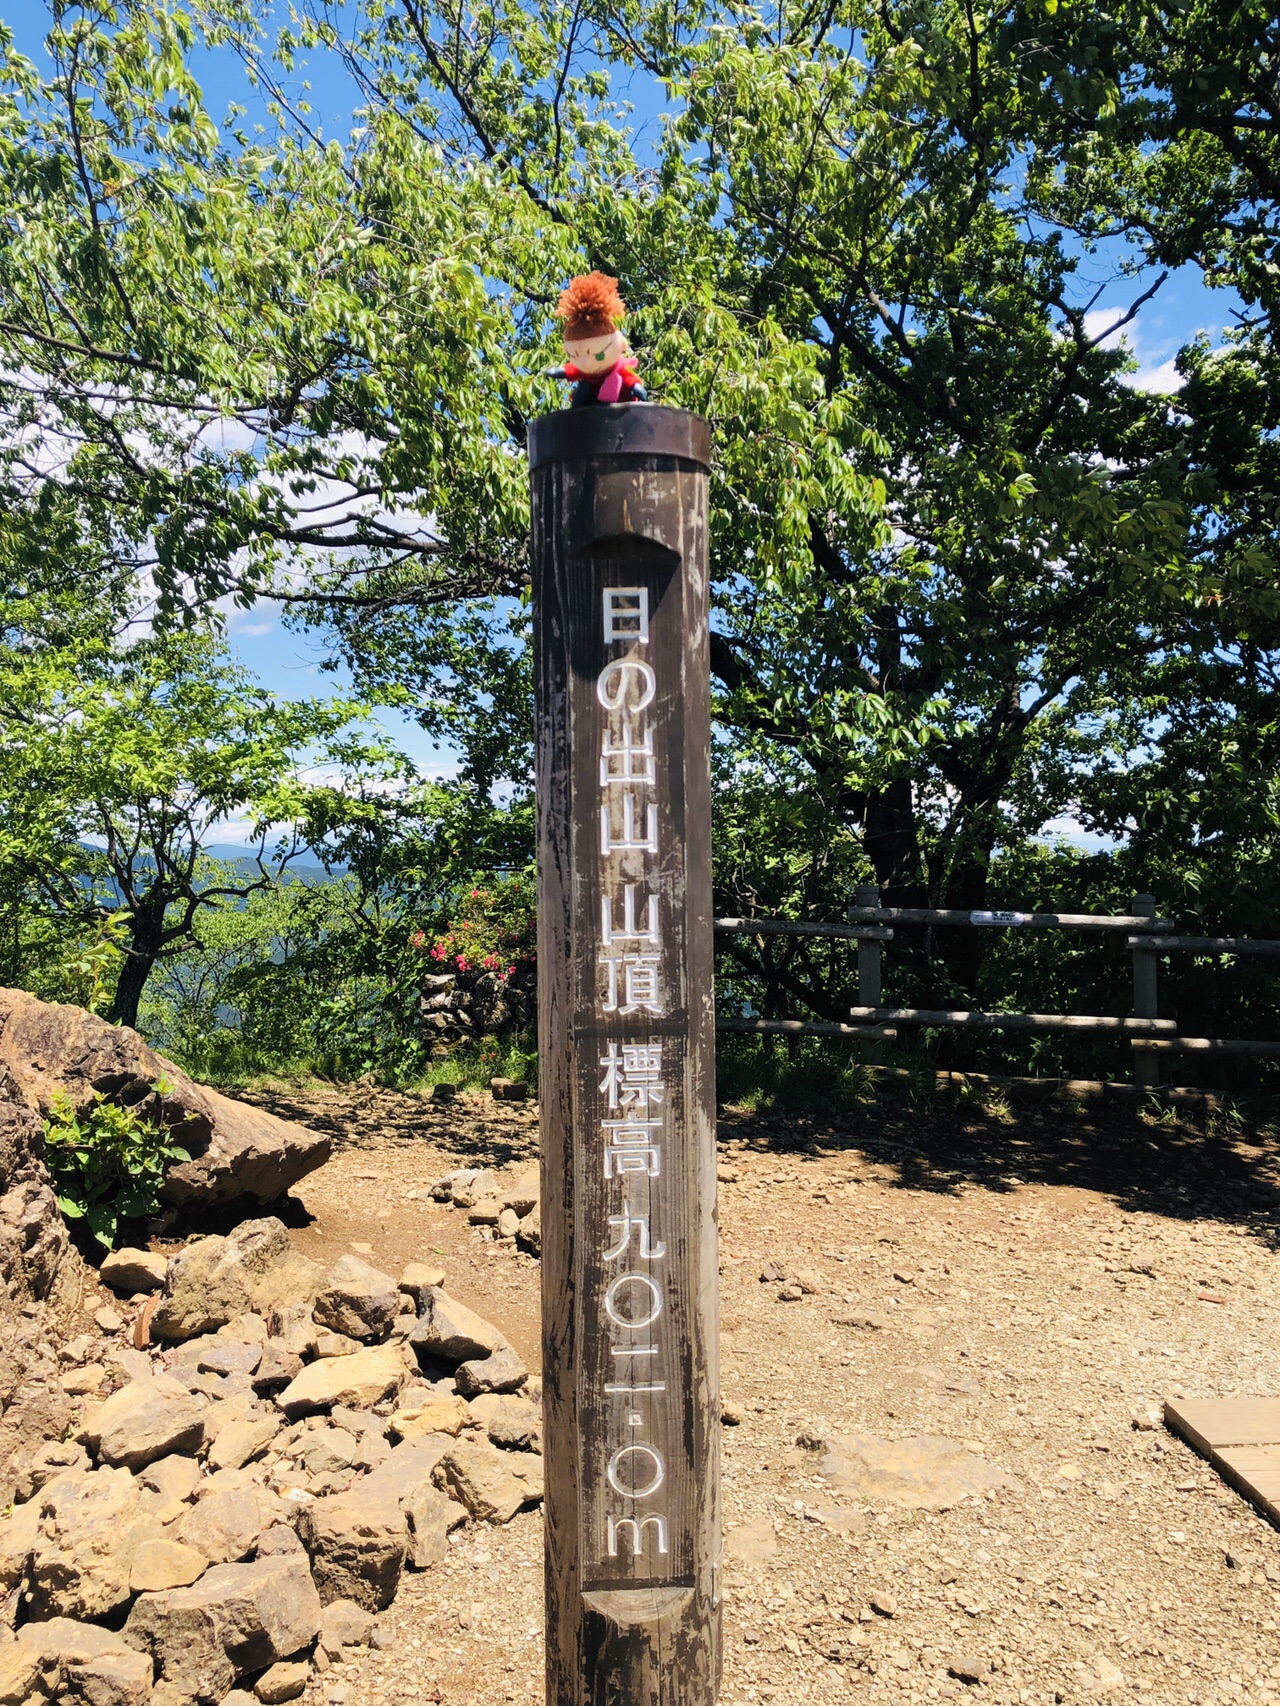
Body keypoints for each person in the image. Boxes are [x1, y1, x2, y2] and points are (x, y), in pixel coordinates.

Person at [546, 272, 647, 406]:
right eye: (575, 356)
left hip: (621, 408)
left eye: (598, 355)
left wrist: (636, 387)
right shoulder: (585, 374)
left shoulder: (618, 370)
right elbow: (572, 369)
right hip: (593, 408)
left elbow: (629, 378)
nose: (586, 363)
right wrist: (561, 371)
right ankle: (577, 413)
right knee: (584, 387)